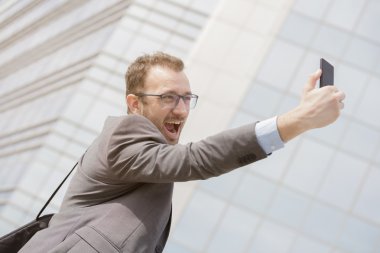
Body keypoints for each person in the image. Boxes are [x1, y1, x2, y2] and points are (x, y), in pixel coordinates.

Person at [19, 52, 345, 253]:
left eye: (187, 98)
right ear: (135, 104)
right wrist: (296, 121)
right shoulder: (125, 131)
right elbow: (194, 160)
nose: (182, 109)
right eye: (169, 97)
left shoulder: (148, 161)